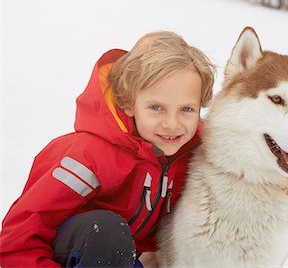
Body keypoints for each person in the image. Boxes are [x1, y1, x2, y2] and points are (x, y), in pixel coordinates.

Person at [0, 31, 215, 267]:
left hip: (125, 260)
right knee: (106, 232)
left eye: (187, 109)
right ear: (128, 103)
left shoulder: (194, 154)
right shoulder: (88, 156)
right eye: (156, 107)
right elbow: (18, 240)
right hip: (65, 253)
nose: (172, 124)